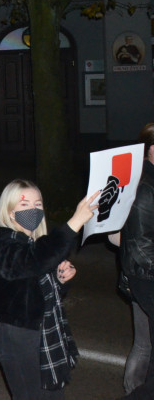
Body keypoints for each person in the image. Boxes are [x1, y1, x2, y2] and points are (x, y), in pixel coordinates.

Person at [0, 181, 99, 399]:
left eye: (38, 204)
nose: (33, 210)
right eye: (24, 205)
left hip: (40, 330)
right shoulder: (0, 241)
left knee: (52, 395)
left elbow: (36, 285)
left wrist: (60, 280)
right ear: (10, 212)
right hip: (17, 335)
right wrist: (75, 222)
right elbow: (32, 261)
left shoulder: (34, 242)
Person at [120, 123, 154, 399]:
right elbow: (141, 245)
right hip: (146, 277)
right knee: (144, 345)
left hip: (146, 275)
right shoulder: (143, 187)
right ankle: (133, 392)